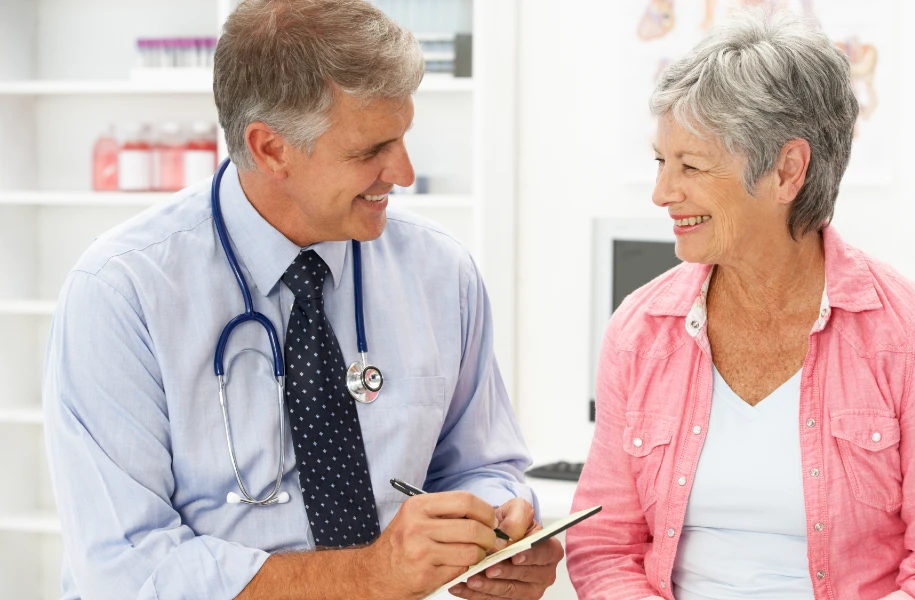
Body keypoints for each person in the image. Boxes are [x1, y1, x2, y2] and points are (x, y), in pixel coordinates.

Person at [42, 1, 562, 598]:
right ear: (271, 149)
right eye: (370, 150)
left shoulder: (440, 272)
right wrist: (370, 577)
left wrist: (501, 530)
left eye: (403, 137)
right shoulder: (121, 293)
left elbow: (479, 465)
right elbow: (127, 570)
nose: (403, 172)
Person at [567, 9, 915, 600]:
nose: (662, 192)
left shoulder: (909, 333)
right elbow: (604, 546)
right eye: (661, 162)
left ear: (787, 171)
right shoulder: (640, 330)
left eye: (691, 165)